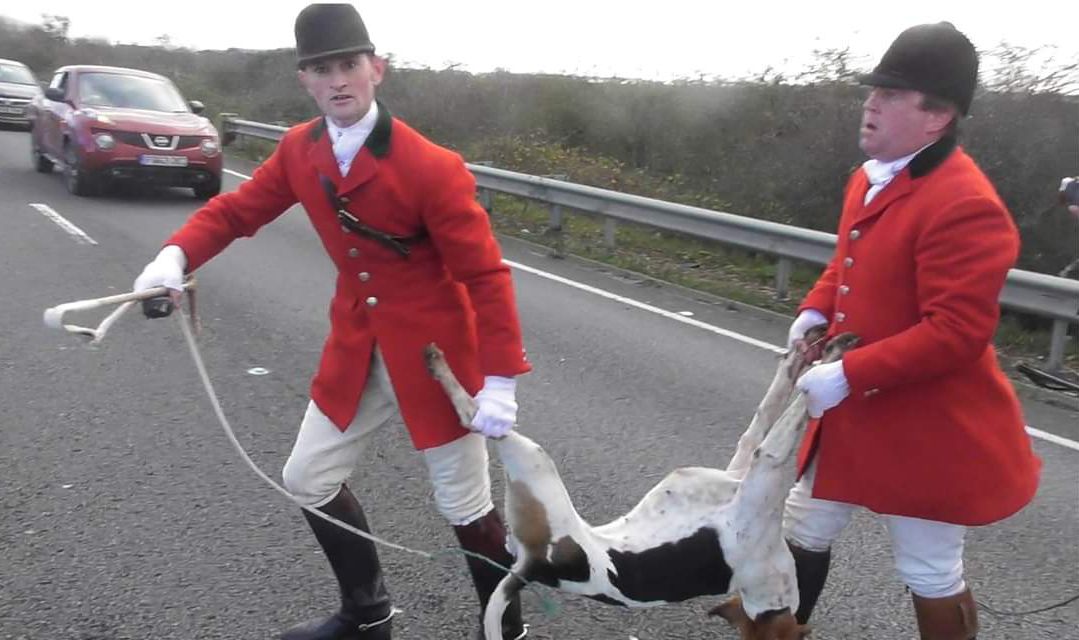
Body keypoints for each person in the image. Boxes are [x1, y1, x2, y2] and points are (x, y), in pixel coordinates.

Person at [132, 4, 531, 639]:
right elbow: (235, 212)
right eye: (322, 70)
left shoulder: (431, 166)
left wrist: (500, 379)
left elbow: (484, 277)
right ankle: (367, 616)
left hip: (437, 359)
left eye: (349, 65)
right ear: (305, 81)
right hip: (358, 345)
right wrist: (172, 257)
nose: (338, 80)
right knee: (307, 478)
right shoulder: (300, 149)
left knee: (466, 509)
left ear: (378, 69)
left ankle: (503, 633)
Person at [780, 22, 1042, 640]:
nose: (871, 102)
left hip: (927, 426)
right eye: (874, 89)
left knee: (928, 569)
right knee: (800, 529)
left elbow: (958, 332)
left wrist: (848, 373)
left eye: (892, 94)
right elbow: (847, 263)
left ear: (938, 116)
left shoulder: (965, 204)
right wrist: (817, 309)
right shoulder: (870, 176)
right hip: (850, 414)